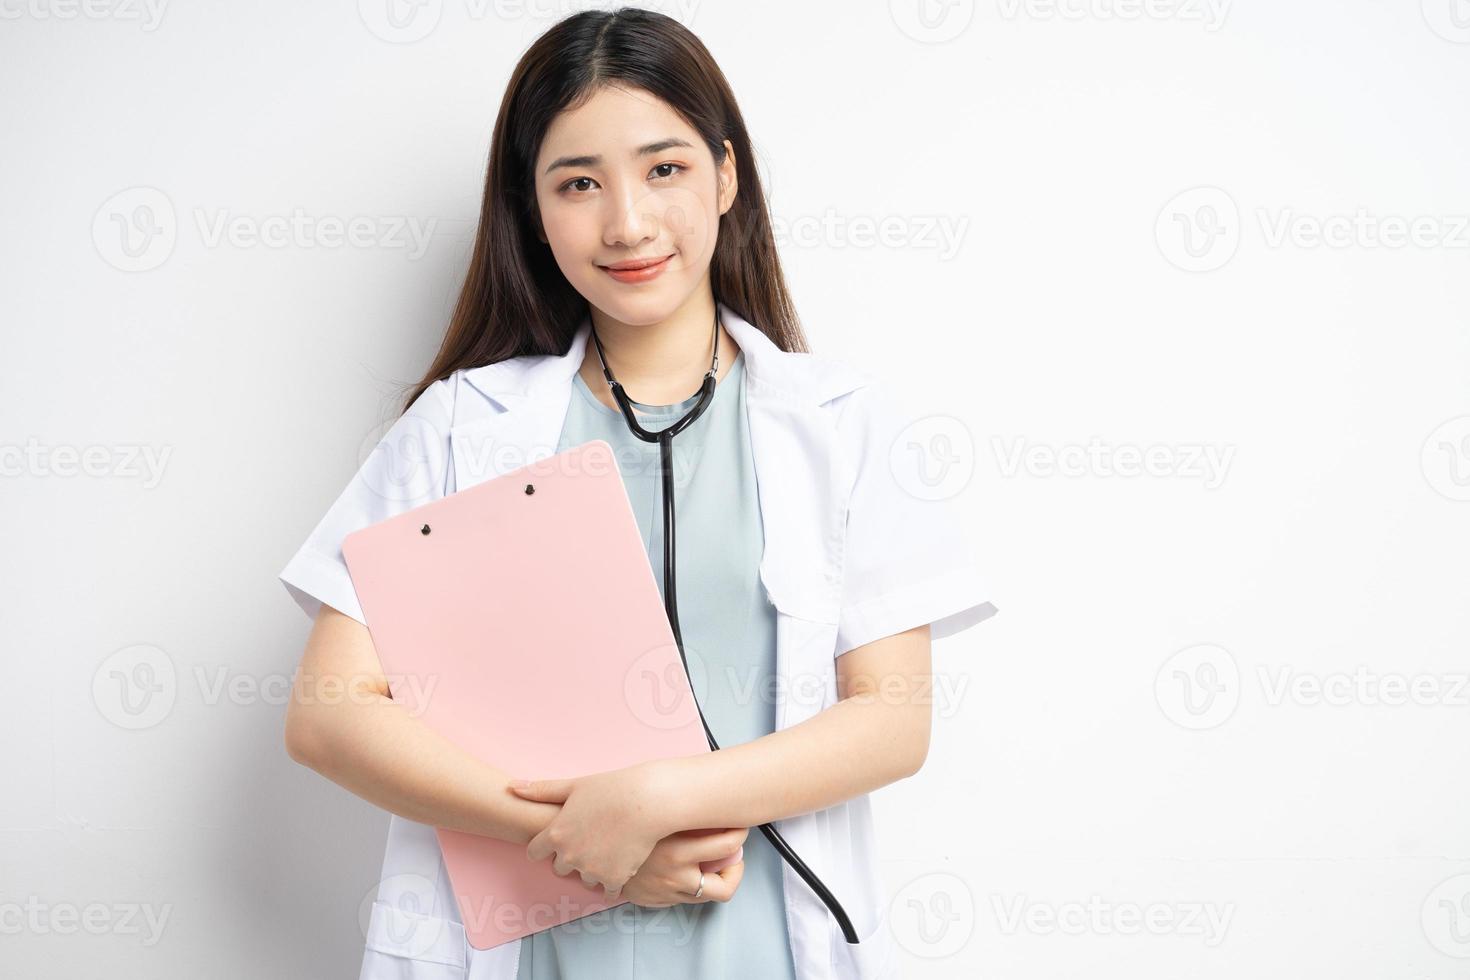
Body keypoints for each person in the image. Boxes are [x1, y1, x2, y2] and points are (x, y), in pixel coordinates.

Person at [278, 8, 996, 980]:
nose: (627, 222)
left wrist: (660, 796)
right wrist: (581, 833)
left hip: (762, 949)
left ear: (727, 175)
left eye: (665, 168)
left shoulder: (840, 421)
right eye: (578, 183)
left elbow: (892, 716)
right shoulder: (456, 427)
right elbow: (328, 709)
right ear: (532, 208)